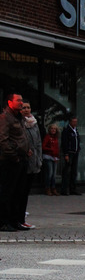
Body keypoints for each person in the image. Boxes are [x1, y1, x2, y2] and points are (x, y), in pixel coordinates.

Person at [0, 92, 29, 232]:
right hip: (10, 161)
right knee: (7, 192)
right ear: (10, 102)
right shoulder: (5, 117)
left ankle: (14, 220)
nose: (21, 103)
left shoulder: (19, 117)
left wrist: (27, 150)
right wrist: (14, 156)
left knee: (18, 192)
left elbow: (21, 137)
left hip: (21, 159)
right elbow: (3, 140)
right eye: (18, 100)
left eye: (21, 100)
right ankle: (4, 222)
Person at [18, 100, 42, 229]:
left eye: (28, 107)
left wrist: (39, 160)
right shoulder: (19, 123)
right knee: (20, 192)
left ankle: (21, 217)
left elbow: (38, 143)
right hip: (23, 162)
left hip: (33, 162)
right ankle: (19, 218)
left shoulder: (34, 123)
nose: (26, 110)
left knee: (26, 191)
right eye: (24, 108)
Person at [61, 117, 81, 195]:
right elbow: (64, 143)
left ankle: (73, 189)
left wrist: (78, 148)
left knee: (74, 171)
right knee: (67, 171)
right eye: (73, 121)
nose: (75, 123)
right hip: (69, 152)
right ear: (70, 122)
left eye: (76, 121)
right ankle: (64, 189)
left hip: (75, 152)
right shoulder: (66, 131)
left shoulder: (76, 130)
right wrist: (66, 153)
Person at [42, 123, 60, 196]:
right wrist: (50, 149)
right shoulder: (47, 137)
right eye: (52, 129)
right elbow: (43, 147)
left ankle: (53, 188)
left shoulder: (56, 138)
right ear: (49, 130)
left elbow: (57, 148)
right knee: (50, 173)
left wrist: (56, 155)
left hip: (54, 157)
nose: (53, 130)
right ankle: (47, 188)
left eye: (54, 129)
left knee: (54, 175)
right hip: (48, 156)